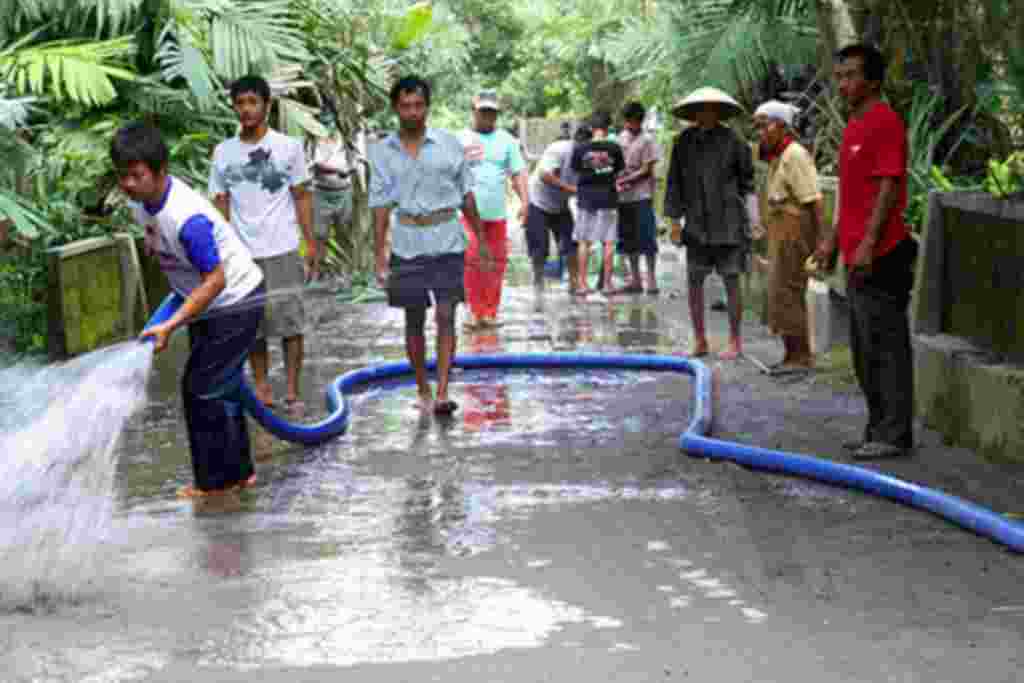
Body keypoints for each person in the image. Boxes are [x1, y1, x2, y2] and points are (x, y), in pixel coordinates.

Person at [114, 122, 265, 497]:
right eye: (123, 175)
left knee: (201, 388)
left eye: (136, 175)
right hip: (204, 300)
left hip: (236, 300)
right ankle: (239, 475)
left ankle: (214, 486)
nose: (128, 184)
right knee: (221, 386)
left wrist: (173, 324)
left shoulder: (187, 219)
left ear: (160, 171)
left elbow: (216, 281)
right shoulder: (143, 203)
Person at [815, 44, 917, 459]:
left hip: (883, 252)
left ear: (873, 80)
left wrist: (870, 244)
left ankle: (893, 434)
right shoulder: (854, 126)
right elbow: (853, 195)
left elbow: (889, 185)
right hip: (857, 253)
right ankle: (877, 428)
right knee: (864, 348)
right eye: (839, 76)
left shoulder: (883, 122)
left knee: (886, 346)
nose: (843, 84)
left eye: (851, 76)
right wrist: (832, 240)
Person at [369, 75, 493, 416]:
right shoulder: (382, 152)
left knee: (445, 313)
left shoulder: (449, 144)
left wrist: (480, 239)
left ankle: (442, 391)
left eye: (419, 105)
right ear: (396, 108)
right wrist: (379, 255)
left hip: (447, 238)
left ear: (427, 107)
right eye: (406, 106)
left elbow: (466, 195)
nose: (412, 112)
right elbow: (379, 206)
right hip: (407, 242)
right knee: (413, 319)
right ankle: (422, 388)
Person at [209, 75, 315, 416]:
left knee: (290, 323)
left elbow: (301, 196)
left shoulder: (288, 148)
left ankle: (294, 392)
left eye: (253, 102)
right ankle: (263, 387)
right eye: (240, 103)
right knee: (251, 326)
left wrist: (310, 243)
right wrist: (222, 254)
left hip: (283, 246)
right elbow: (221, 203)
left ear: (267, 106)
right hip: (243, 254)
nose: (246, 109)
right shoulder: (224, 153)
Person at [664, 86, 757, 359]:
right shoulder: (683, 142)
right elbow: (674, 183)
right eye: (699, 110)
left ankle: (735, 340)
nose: (704, 114)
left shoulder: (734, 142)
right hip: (695, 222)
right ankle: (700, 339)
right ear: (693, 113)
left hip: (728, 221)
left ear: (718, 112)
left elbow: (748, 183)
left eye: (710, 109)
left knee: (731, 281)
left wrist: (753, 219)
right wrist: (674, 221)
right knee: (694, 281)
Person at [754, 100, 825, 370]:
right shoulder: (778, 157)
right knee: (779, 292)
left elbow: (815, 200)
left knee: (790, 291)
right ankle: (790, 354)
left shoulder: (795, 154)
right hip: (780, 229)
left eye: (763, 126)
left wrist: (820, 242)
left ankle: (801, 356)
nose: (759, 133)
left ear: (780, 126)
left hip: (794, 231)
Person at [459, 89, 528, 329]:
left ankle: (490, 311)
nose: (487, 117)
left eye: (492, 112)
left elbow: (517, 172)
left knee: (496, 263)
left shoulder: (507, 140)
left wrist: (525, 202)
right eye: (483, 112)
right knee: (472, 260)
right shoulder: (460, 139)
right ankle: (473, 311)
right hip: (468, 215)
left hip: (496, 215)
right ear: (474, 111)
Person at [571, 111, 625, 297]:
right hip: (608, 198)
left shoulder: (580, 149)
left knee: (584, 241)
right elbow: (618, 170)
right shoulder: (615, 148)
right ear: (607, 128)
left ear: (592, 129)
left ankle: (583, 284)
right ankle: (608, 285)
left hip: (586, 199)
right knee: (609, 242)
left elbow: (576, 170)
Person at [524, 124, 582, 298]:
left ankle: (574, 283)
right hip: (538, 201)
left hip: (561, 206)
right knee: (539, 248)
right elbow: (544, 174)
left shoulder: (591, 157)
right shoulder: (559, 149)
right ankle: (538, 282)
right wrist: (569, 189)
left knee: (572, 244)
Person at [614, 101, 662, 295]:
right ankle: (635, 279)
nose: (630, 125)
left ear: (640, 121)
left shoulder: (648, 140)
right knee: (628, 238)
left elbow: (647, 169)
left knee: (647, 237)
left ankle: (651, 279)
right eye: (628, 121)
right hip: (623, 197)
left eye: (633, 121)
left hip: (642, 195)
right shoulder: (619, 139)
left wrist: (628, 179)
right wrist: (618, 179)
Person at [307, 123, 354, 281]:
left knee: (344, 232)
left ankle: (344, 272)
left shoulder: (347, 138)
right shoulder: (313, 140)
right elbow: (315, 164)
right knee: (319, 234)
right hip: (321, 192)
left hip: (344, 192)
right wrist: (338, 170)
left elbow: (357, 160)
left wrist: (353, 167)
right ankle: (315, 272)